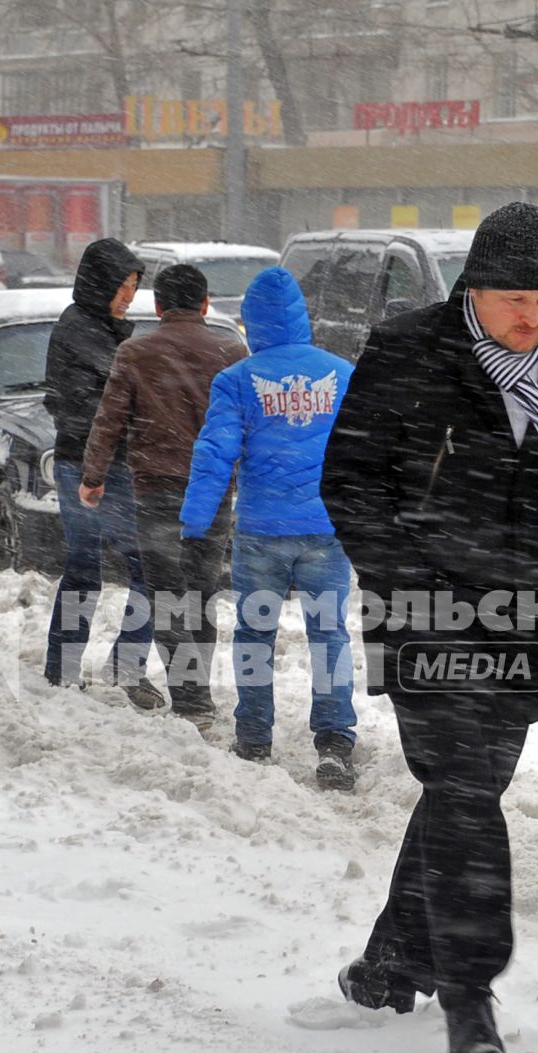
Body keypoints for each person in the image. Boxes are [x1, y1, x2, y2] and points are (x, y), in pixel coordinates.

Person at [322, 203, 538, 1053]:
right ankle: (471, 997)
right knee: (462, 786)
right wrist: (406, 576)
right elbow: (350, 481)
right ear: (473, 286)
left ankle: (393, 960)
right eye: (516, 297)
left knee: (468, 791)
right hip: (424, 611)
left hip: (527, 619)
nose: (534, 316)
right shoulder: (408, 351)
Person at [181, 266, 359, 787]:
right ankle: (334, 741)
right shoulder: (341, 373)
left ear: (252, 323)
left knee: (254, 635)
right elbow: (366, 452)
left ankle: (254, 737)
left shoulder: (237, 380)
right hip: (326, 529)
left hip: (261, 530)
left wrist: (195, 517)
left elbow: (215, 452)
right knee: (330, 636)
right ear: (302, 317)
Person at [81, 264, 250, 731]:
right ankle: (199, 697)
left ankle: (190, 699)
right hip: (214, 491)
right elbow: (246, 422)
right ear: (205, 304)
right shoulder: (231, 351)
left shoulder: (135, 352)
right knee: (201, 590)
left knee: (166, 595)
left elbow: (109, 418)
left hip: (155, 488)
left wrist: (93, 474)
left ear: (157, 306)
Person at [43, 238, 157, 705]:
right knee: (94, 569)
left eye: (133, 286)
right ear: (99, 284)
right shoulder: (79, 331)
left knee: (129, 569)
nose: (129, 295)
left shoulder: (109, 329)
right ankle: (72, 670)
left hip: (109, 465)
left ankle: (111, 667)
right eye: (122, 286)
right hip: (86, 467)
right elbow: (90, 407)